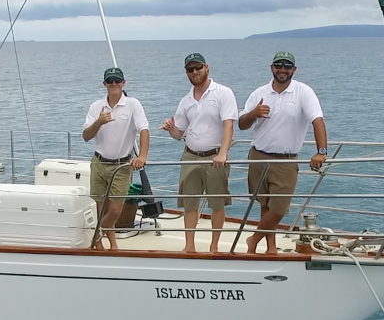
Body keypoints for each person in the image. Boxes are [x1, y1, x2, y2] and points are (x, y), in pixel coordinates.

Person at [237, 51, 328, 254]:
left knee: (278, 207)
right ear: (272, 68)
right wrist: (254, 114)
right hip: (258, 156)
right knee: (265, 203)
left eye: (287, 66)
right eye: (279, 65)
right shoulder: (259, 93)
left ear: (294, 69)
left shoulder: (303, 92)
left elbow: (317, 120)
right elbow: (242, 124)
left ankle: (253, 239)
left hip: (285, 160)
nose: (282, 70)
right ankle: (270, 247)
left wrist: (321, 152)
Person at [160, 53, 237, 253]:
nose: (195, 72)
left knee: (217, 204)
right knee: (189, 204)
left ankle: (214, 246)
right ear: (186, 73)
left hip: (215, 157)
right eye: (190, 69)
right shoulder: (186, 101)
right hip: (190, 156)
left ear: (206, 67)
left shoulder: (223, 93)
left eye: (198, 67)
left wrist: (223, 153)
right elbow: (178, 134)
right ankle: (189, 246)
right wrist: (170, 129)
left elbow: (229, 125)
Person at [82, 66, 150, 250]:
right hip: (99, 163)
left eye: (117, 81)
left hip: (121, 165)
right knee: (101, 208)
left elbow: (144, 129)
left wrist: (142, 156)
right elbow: (86, 136)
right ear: (104, 84)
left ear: (123, 83)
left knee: (115, 209)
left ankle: (96, 233)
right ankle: (109, 245)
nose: (114, 84)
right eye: (110, 81)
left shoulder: (133, 104)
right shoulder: (96, 106)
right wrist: (98, 122)